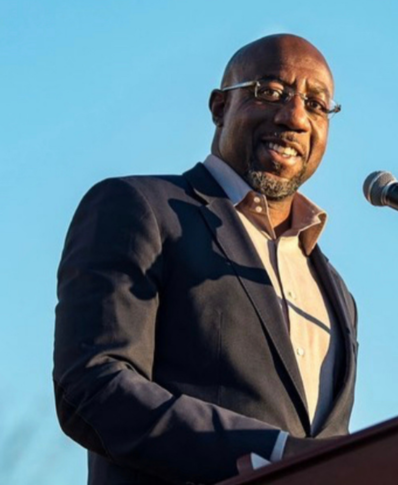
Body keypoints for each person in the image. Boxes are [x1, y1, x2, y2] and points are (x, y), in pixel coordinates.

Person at [54, 34, 358, 484]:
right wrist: (273, 452)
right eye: (270, 92)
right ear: (219, 107)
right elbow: (94, 386)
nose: (294, 116)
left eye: (316, 104)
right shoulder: (139, 207)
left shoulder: (335, 291)